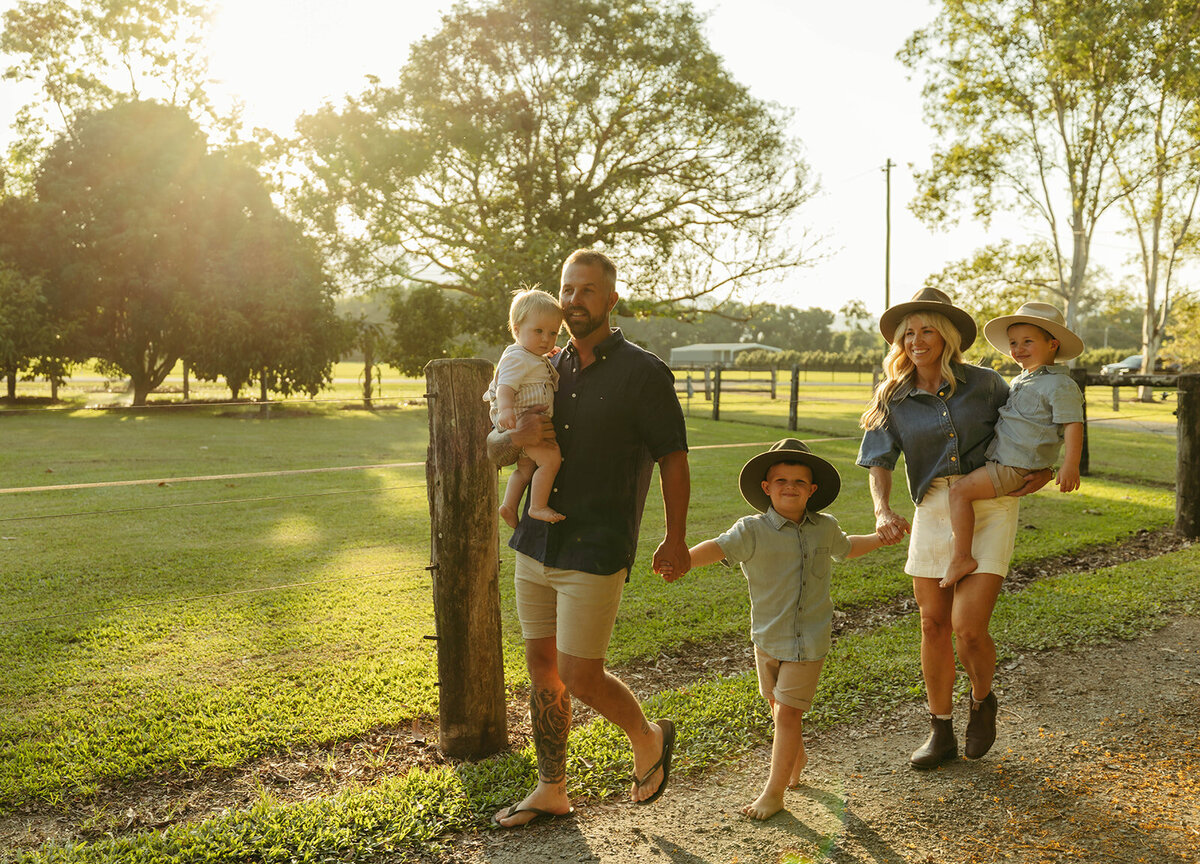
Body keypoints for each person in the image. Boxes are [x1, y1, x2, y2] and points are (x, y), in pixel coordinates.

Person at [486, 249, 691, 828]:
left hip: (597, 544)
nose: (574, 300)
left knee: (579, 672)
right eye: (567, 289)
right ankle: (552, 787)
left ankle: (647, 735)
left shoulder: (643, 373)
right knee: (541, 665)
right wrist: (515, 434)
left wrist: (675, 539)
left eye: (587, 291)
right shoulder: (542, 363)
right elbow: (493, 449)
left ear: (610, 298)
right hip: (535, 539)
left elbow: (674, 461)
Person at [856, 287, 1052, 769]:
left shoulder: (986, 384)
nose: (917, 340)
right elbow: (878, 460)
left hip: (989, 500)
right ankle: (939, 728)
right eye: (909, 333)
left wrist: (1045, 468)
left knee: (967, 629)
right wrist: (882, 510)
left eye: (927, 331)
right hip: (932, 507)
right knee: (932, 623)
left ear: (945, 337)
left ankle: (982, 700)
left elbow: (1032, 425)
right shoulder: (892, 396)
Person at [664, 438, 899, 820]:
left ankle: (773, 794)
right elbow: (717, 547)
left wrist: (880, 537)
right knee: (776, 707)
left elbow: (847, 547)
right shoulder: (751, 530)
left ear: (813, 490)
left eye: (799, 481)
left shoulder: (825, 527)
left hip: (810, 639)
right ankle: (795, 756)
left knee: (788, 714)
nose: (790, 486)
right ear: (766, 488)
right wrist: (682, 560)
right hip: (767, 638)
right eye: (781, 480)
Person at [943, 302, 1085, 586]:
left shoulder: (1060, 385)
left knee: (959, 492)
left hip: (1016, 465)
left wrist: (1069, 465)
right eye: (1013, 343)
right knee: (961, 491)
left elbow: (1072, 424)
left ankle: (962, 557)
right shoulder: (1021, 380)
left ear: (1053, 344)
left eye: (1028, 341)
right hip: (1005, 459)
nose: (1018, 348)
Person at [483, 289, 567, 528]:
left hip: (527, 428)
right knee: (551, 461)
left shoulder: (531, 356)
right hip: (525, 424)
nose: (545, 339)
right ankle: (537, 506)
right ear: (517, 330)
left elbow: (534, 371)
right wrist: (507, 410)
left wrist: (548, 354)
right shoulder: (517, 357)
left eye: (553, 333)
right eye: (538, 331)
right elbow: (505, 387)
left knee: (525, 469)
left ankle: (509, 505)